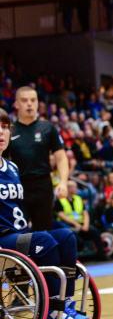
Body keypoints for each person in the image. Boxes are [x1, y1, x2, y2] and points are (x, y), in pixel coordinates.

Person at [0, 109, 89, 319]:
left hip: (17, 235)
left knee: (66, 236)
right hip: (3, 240)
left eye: (4, 127)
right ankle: (52, 309)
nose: (1, 132)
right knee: (45, 241)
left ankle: (65, 305)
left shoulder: (12, 167)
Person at [9, 86, 69, 230]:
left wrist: (63, 182)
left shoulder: (48, 127)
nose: (29, 104)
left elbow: (61, 158)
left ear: (37, 103)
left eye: (33, 100)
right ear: (16, 104)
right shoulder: (9, 130)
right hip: (18, 187)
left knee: (43, 233)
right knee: (18, 233)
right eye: (24, 100)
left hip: (43, 186)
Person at [55, 180, 107, 259]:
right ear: (68, 188)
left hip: (81, 223)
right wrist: (76, 224)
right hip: (67, 225)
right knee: (76, 238)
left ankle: (101, 255)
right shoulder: (59, 200)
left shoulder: (78, 198)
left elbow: (85, 213)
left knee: (95, 232)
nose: (76, 189)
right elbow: (61, 215)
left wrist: (85, 225)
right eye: (74, 187)